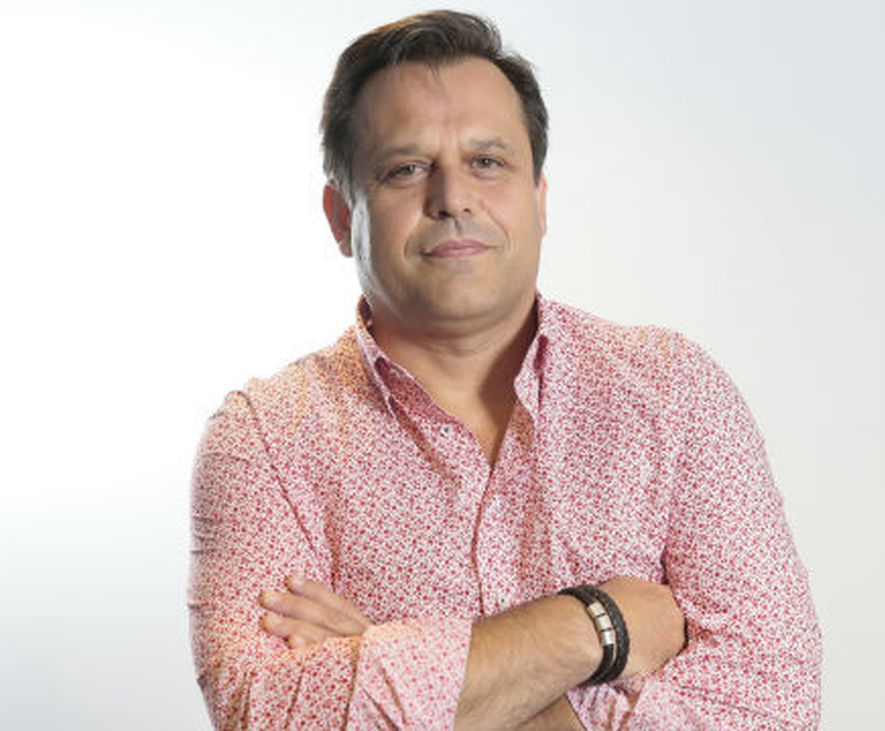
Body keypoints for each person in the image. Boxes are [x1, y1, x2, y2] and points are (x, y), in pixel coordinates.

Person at [188, 10, 821, 729]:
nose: (453, 198)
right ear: (341, 216)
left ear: (539, 199)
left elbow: (772, 705)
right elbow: (265, 713)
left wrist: (387, 669)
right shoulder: (264, 441)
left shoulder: (674, 394)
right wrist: (595, 625)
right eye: (406, 169)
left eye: (487, 162)